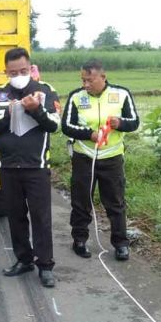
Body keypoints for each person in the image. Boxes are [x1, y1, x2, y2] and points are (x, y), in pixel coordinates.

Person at [0, 47, 61, 288]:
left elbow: (54, 125)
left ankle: (45, 265)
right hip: (8, 166)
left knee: (41, 217)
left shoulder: (45, 90)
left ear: (30, 68)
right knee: (15, 217)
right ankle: (23, 259)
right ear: (6, 71)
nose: (18, 74)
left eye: (23, 70)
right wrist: (10, 112)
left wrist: (35, 109)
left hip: (36, 166)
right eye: (13, 71)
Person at [61, 59, 140, 261]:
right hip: (84, 156)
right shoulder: (76, 97)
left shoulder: (121, 94)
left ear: (103, 77)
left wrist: (120, 122)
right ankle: (79, 240)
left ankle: (121, 244)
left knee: (115, 202)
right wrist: (89, 134)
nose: (85, 85)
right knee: (81, 201)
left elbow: (134, 123)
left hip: (112, 157)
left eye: (90, 80)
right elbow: (67, 126)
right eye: (83, 80)